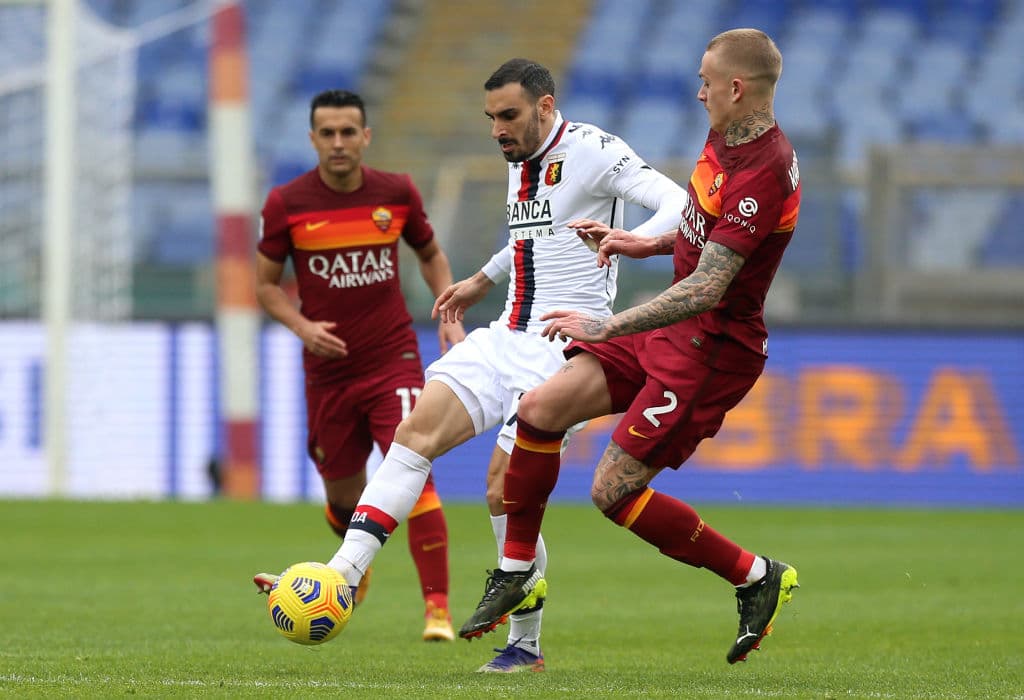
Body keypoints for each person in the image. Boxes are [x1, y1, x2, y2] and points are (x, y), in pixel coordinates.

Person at [286, 59, 690, 672]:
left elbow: (676, 202)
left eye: (510, 116)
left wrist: (634, 243)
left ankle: (524, 645)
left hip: (566, 345)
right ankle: (341, 576)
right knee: (412, 437)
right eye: (491, 119)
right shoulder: (518, 159)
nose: (498, 129)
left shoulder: (592, 150)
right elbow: (531, 236)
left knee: (503, 486)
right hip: (504, 334)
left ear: (546, 107)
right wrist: (482, 277)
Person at [459, 28, 802, 665]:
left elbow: (709, 286)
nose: (698, 93)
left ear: (736, 88)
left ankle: (757, 577)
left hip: (712, 349)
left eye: (706, 81)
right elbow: (701, 233)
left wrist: (607, 325)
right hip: (668, 331)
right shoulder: (727, 136)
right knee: (538, 410)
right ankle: (514, 571)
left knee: (612, 491)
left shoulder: (764, 172)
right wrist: (642, 244)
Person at [251, 89, 465, 642]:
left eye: (350, 132)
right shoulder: (286, 203)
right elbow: (264, 287)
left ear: (366, 136)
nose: (340, 143)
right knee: (343, 494)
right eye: (329, 133)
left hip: (391, 358)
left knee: (413, 474)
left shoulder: (396, 192)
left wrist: (446, 307)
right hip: (327, 372)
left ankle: (437, 610)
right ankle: (350, 572)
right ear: (313, 139)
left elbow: (431, 254)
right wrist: (302, 327)